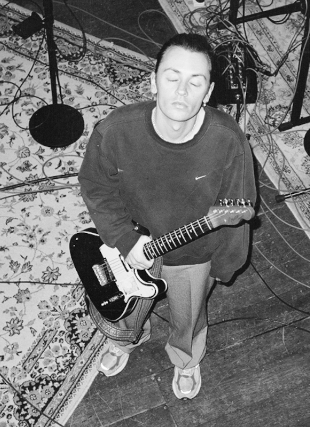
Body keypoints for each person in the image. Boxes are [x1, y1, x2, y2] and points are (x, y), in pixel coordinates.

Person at [77, 33, 256, 400]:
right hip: (129, 244)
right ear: (153, 81)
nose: (182, 91)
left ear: (209, 92)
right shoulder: (116, 130)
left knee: (188, 316)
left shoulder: (228, 141)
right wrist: (124, 238)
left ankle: (186, 357)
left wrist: (225, 265)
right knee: (125, 307)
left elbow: (237, 213)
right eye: (172, 77)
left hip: (192, 255)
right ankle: (124, 339)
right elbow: (95, 185)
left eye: (196, 81)